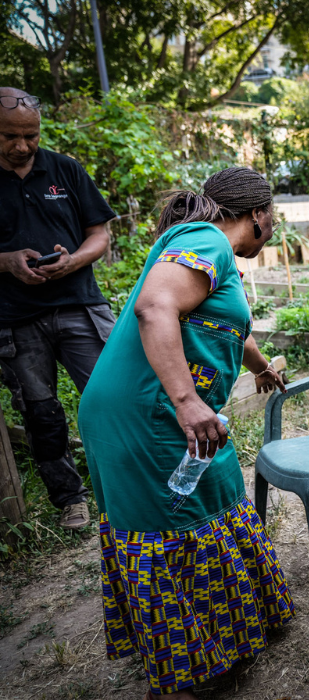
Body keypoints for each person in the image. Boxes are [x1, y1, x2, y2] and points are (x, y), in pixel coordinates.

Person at [78, 167, 294, 699]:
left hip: (149, 408)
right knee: (170, 523)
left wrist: (263, 367)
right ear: (259, 214)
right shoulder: (206, 240)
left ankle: (230, 634)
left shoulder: (209, 251)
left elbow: (225, 325)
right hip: (147, 412)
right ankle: (184, 672)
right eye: (273, 217)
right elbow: (156, 309)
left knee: (215, 497)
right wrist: (186, 400)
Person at [0, 87, 117, 531]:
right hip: (15, 318)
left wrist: (73, 259)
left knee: (114, 394)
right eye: (11, 136)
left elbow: (99, 235)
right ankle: (71, 500)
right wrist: (7, 262)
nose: (23, 146)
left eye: (31, 135)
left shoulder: (64, 168)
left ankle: (129, 479)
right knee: (41, 413)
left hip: (78, 305)